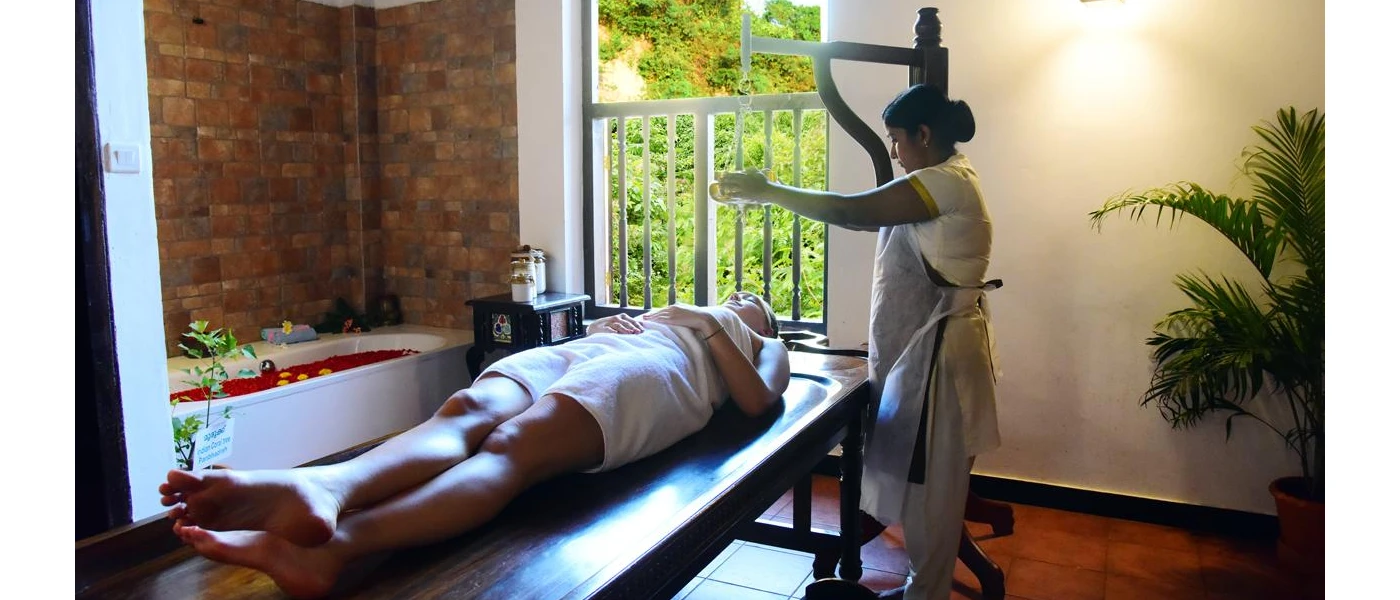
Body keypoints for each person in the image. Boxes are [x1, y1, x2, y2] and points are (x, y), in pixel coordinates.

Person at [159, 291, 789, 599]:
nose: (742, 299)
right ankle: (327, 487)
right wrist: (610, 324)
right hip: (602, 347)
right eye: (738, 297)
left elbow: (759, 401)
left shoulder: (757, 340)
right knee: (466, 409)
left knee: (514, 445)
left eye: (754, 302)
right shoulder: (681, 313)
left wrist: (711, 325)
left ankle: (339, 546)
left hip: (660, 374)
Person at [715, 83, 1001, 600]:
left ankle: (925, 593)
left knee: (933, 491)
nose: (893, 151)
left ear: (924, 133)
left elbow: (851, 212)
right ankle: (921, 587)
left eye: (897, 139)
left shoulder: (945, 183)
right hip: (934, 351)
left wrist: (769, 191)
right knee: (923, 487)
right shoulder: (947, 179)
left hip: (945, 356)